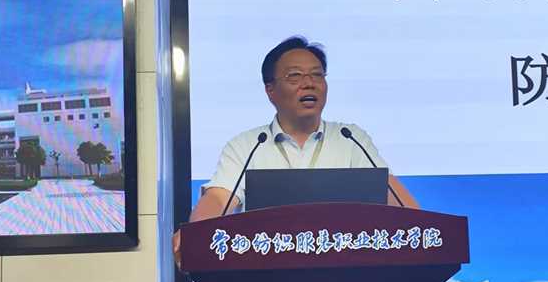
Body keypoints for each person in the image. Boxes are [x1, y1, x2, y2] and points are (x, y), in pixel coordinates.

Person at [172, 36, 418, 265]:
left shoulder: (350, 139)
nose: (309, 83)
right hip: (266, 273)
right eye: (295, 76)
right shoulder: (247, 145)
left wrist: (423, 228)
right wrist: (196, 233)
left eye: (317, 75)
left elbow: (395, 199)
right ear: (270, 90)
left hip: (346, 270)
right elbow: (219, 198)